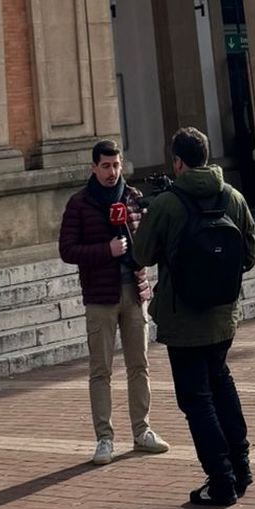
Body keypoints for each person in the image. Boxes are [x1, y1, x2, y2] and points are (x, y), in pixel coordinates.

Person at [132, 127, 255, 509]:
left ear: (177, 162)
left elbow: (141, 255)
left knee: (197, 400)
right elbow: (250, 256)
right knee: (222, 385)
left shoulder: (168, 204)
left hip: (183, 318)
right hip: (223, 315)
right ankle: (242, 466)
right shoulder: (233, 196)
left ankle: (220, 480)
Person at [57, 139, 169, 467]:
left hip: (134, 292)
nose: (112, 172)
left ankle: (142, 431)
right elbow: (67, 250)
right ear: (93, 167)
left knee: (139, 365)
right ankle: (104, 438)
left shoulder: (132, 197)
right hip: (100, 297)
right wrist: (106, 250)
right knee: (101, 370)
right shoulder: (79, 204)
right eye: (105, 166)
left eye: (116, 165)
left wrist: (146, 230)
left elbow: (147, 244)